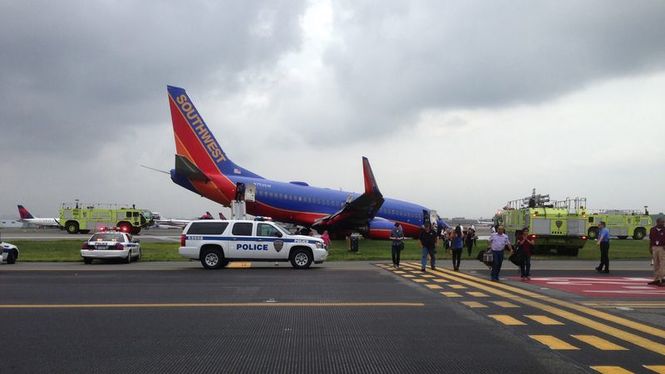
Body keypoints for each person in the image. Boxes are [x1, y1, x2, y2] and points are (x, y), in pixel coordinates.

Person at [648, 218, 665, 286]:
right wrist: (650, 247)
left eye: (663, 222)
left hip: (662, 248)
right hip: (654, 247)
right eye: (661, 222)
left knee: (662, 263)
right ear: (657, 222)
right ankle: (656, 279)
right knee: (656, 264)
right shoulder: (652, 229)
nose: (663, 224)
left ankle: (662, 279)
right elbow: (651, 239)